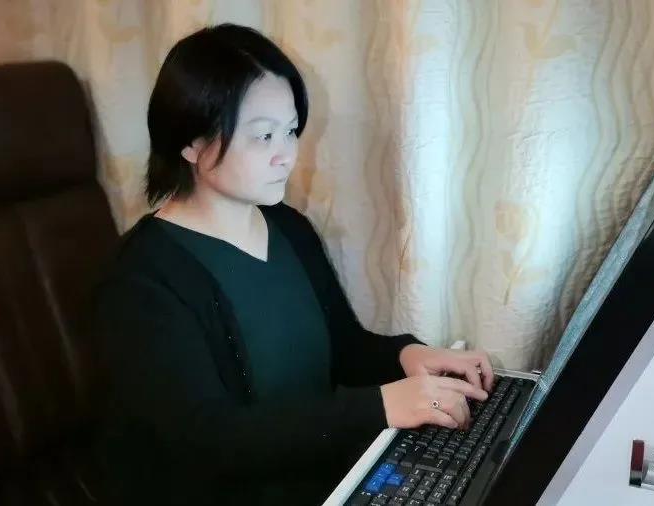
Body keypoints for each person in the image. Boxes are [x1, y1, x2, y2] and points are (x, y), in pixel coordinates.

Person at [92, 23, 496, 505]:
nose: (286, 156)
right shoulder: (139, 279)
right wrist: (380, 406)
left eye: (289, 132)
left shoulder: (288, 227)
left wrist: (409, 356)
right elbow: (208, 440)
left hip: (325, 479)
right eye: (263, 136)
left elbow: (343, 349)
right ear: (192, 143)